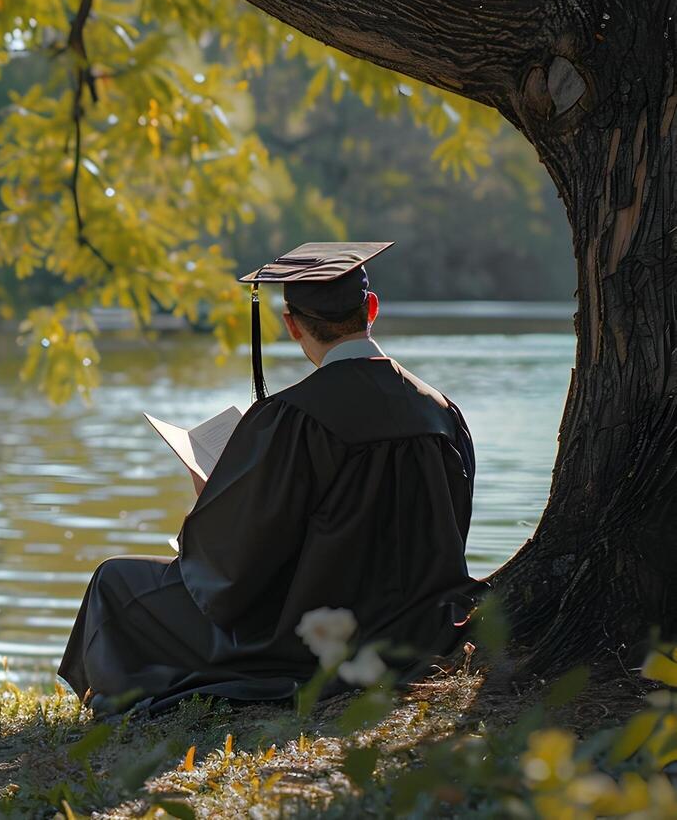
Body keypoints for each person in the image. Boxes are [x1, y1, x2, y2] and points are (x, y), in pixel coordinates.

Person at [57, 242, 481, 711]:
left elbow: (236, 566)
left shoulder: (293, 417)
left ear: (292, 324)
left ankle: (116, 694)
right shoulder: (441, 412)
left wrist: (211, 499)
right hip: (416, 629)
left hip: (302, 635)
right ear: (371, 310)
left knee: (115, 582)